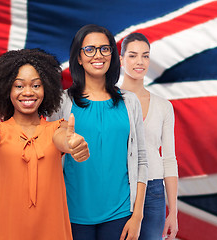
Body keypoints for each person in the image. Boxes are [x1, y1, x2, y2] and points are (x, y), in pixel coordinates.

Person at [0, 48, 90, 240]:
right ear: (6, 90)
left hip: (51, 230)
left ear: (47, 89)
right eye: (19, 86)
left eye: (36, 86)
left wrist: (73, 144)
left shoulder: (57, 127)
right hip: (9, 230)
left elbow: (63, 139)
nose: (28, 92)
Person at [48, 24, 148, 240]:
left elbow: (141, 160)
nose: (98, 55)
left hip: (120, 214)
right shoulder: (62, 103)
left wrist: (137, 215)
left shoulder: (130, 102)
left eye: (105, 49)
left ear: (112, 54)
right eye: (90, 49)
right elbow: (50, 157)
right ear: (79, 58)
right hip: (72, 214)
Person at [120, 32, 178, 240]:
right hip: (119, 187)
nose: (139, 61)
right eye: (133, 55)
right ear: (121, 59)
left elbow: (169, 159)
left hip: (154, 190)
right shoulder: (111, 101)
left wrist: (173, 211)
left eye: (145, 56)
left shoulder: (164, 106)